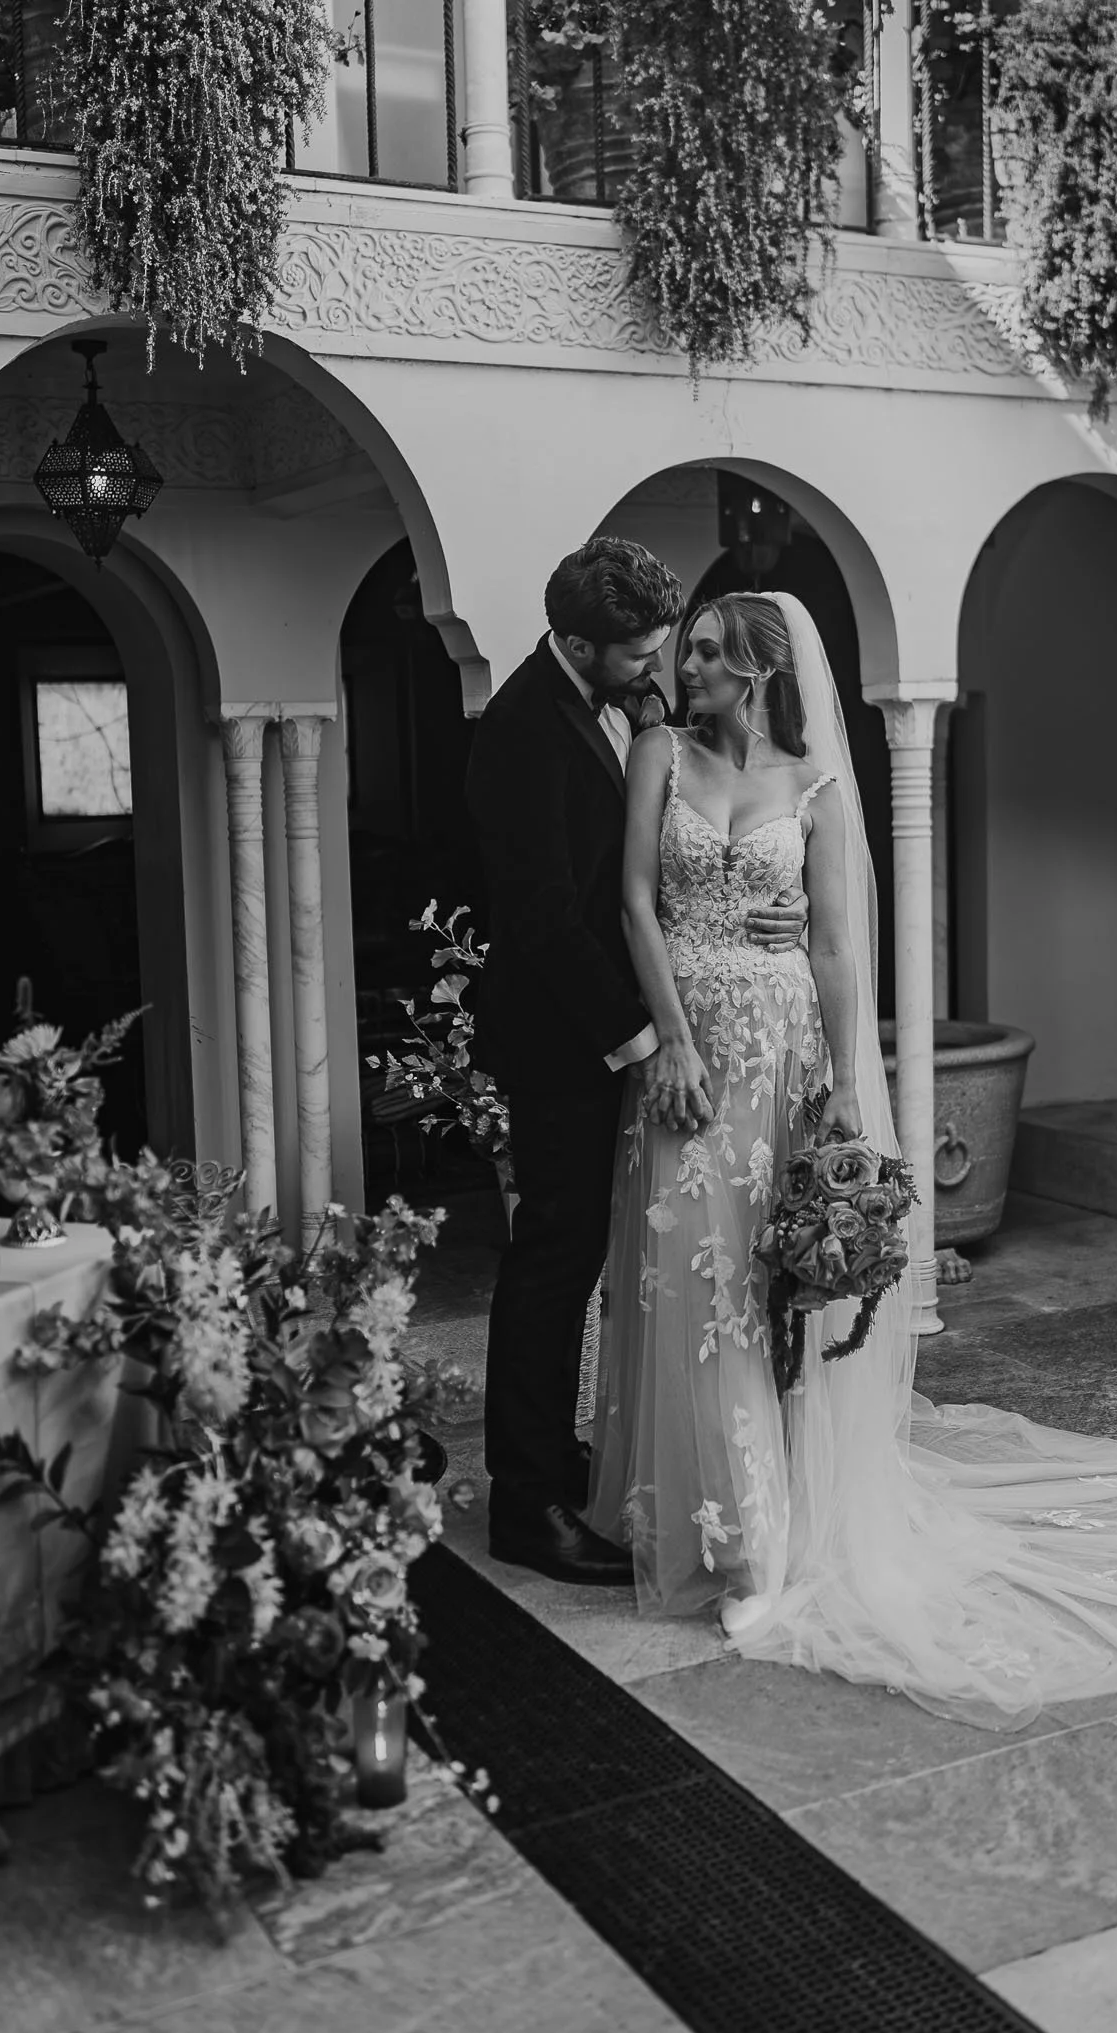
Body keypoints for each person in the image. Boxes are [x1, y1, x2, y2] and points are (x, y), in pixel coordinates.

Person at [586, 590, 1117, 1728]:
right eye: (688, 649)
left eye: (707, 653)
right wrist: (673, 1042)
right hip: (691, 1056)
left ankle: (772, 1529)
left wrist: (848, 1087)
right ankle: (703, 1519)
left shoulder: (811, 782)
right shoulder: (656, 749)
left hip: (791, 1047)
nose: (685, 666)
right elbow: (633, 903)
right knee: (686, 1277)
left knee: (772, 1283)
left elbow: (835, 943)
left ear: (755, 672)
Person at [465, 540, 807, 1587]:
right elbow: (545, 921)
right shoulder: (521, 730)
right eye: (641, 653)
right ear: (578, 643)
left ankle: (574, 1457)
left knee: (615, 1259)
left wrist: (769, 910)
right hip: (571, 1041)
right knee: (553, 1259)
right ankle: (529, 1502)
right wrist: (650, 1036)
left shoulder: (627, 707)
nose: (657, 671)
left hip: (656, 1018)